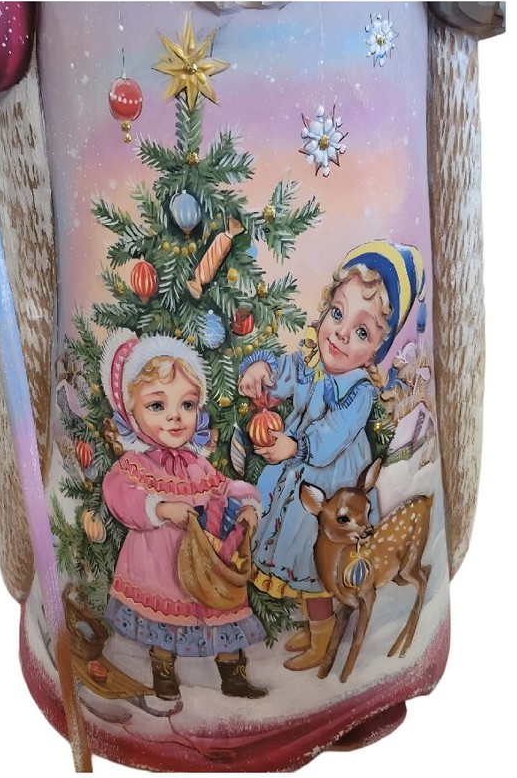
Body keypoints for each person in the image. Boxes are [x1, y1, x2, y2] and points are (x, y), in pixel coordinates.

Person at [238, 240, 427, 672]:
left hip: (331, 489)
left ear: (377, 349)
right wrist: (262, 372)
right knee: (299, 559)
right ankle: (316, 630)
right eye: (338, 314)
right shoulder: (312, 365)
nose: (341, 333)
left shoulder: (360, 392)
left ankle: (322, 640)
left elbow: (334, 433)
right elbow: (286, 376)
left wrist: (296, 447)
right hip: (300, 478)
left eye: (362, 332)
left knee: (316, 563)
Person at [100, 329, 267, 701]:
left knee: (220, 610)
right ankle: (163, 669)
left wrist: (248, 507)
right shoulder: (136, 465)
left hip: (204, 561)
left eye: (187, 405)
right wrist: (159, 508)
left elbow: (225, 486)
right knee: (164, 621)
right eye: (157, 406)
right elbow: (117, 493)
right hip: (157, 565)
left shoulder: (196, 464)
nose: (175, 417)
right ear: (131, 411)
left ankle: (233, 672)